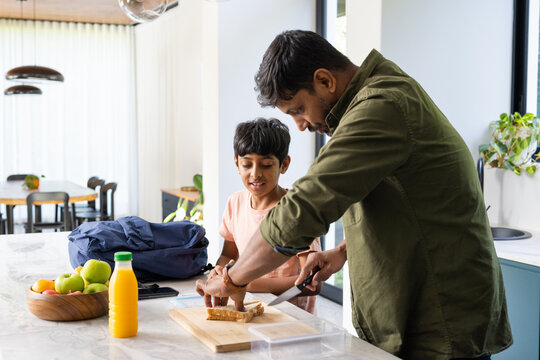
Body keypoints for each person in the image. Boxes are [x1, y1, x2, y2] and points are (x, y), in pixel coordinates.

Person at [196, 30, 512, 360]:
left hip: (441, 317)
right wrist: (341, 253)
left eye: (298, 109)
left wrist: (233, 278)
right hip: (419, 311)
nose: (300, 125)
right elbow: (406, 206)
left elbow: (303, 208)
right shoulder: (377, 99)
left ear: (324, 81)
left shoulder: (380, 107)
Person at [209, 117, 321, 313]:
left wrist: (242, 282)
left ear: (284, 164)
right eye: (246, 165)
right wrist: (221, 273)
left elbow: (312, 283)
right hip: (248, 309)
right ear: (237, 164)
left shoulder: (297, 209)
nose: (255, 174)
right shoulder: (235, 202)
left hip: (291, 320)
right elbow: (228, 254)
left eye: (266, 165)